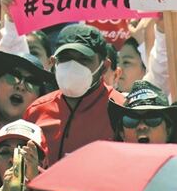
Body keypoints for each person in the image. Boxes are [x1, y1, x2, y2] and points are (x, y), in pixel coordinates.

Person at [23, 24, 123, 164]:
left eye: (84, 59)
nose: (73, 66)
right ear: (53, 62)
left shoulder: (122, 110)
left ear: (104, 67)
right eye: (65, 58)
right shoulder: (36, 112)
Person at [0, 50, 55, 137]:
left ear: (38, 99)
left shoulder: (44, 140)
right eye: (13, 77)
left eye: (31, 83)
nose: (21, 87)